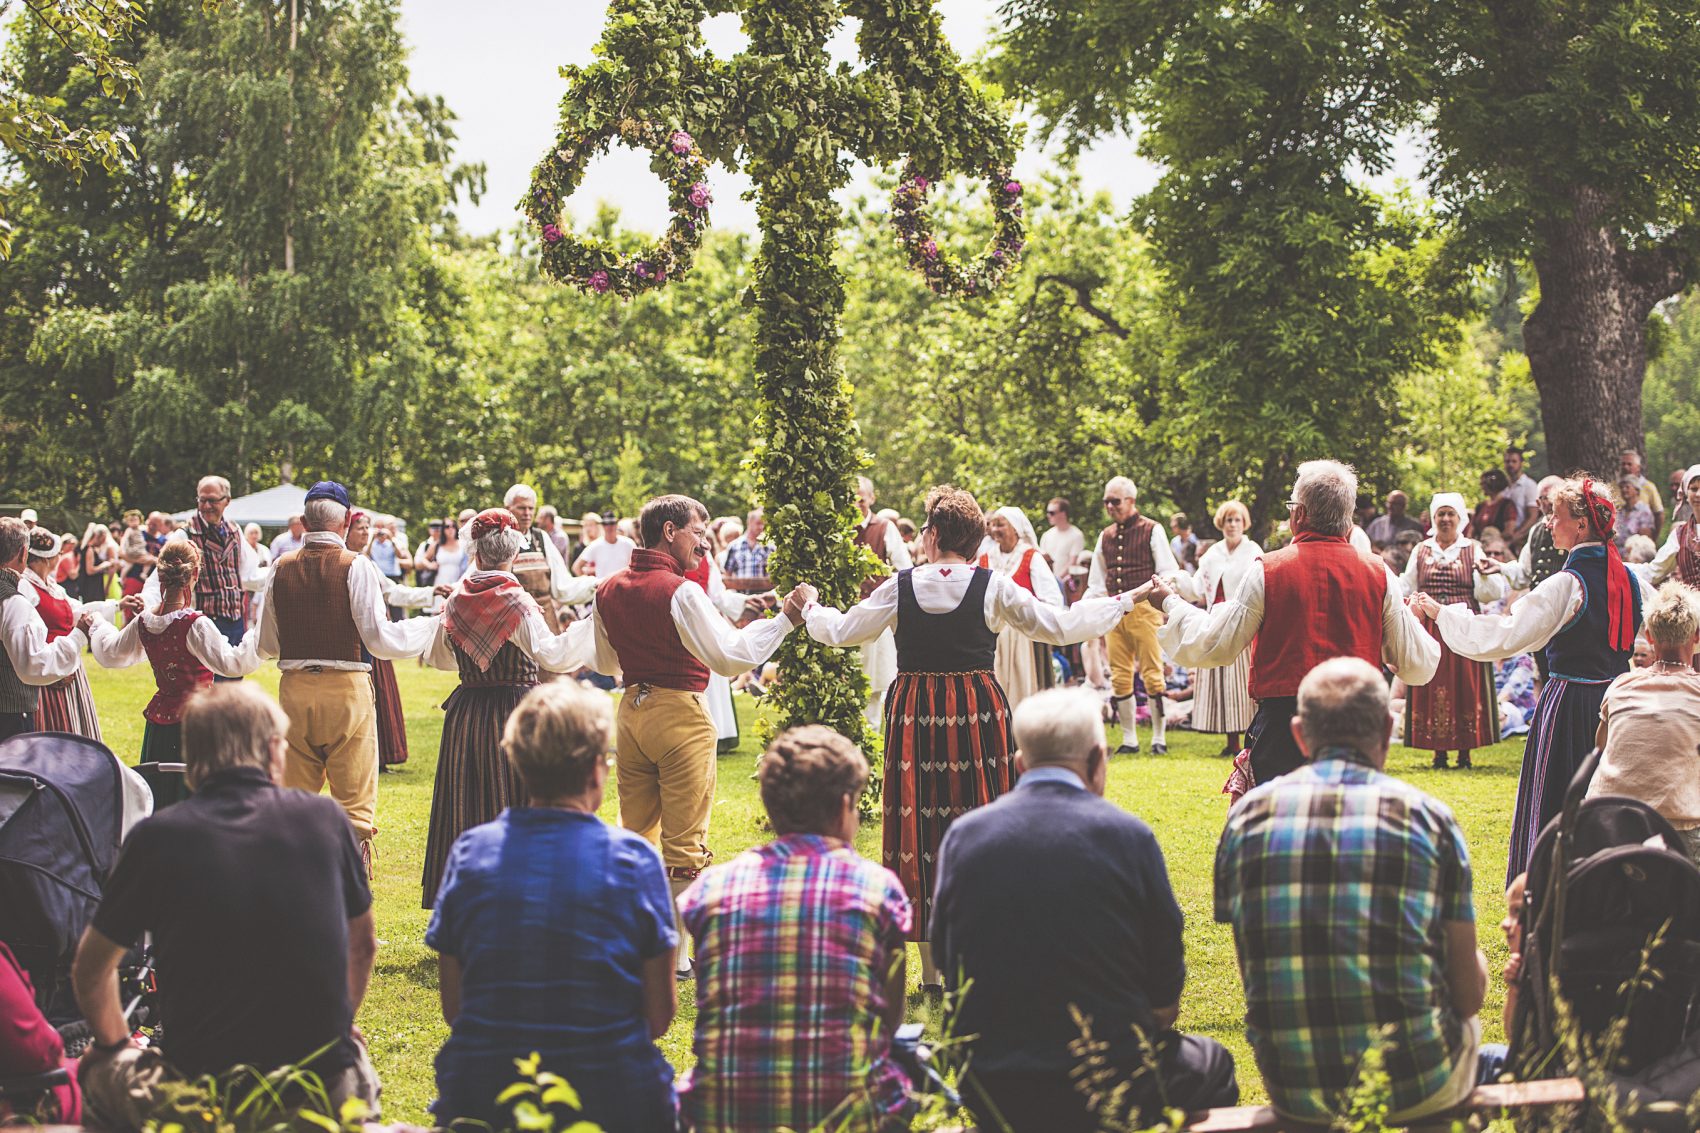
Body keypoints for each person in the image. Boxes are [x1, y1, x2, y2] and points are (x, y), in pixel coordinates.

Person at [806, 485, 1138, 984]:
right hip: (976, 709)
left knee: (915, 827)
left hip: (914, 708)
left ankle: (932, 973)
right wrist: (1126, 600)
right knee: (983, 814)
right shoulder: (994, 584)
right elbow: (1061, 626)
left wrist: (809, 607)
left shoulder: (901, 586)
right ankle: (982, 955)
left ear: (935, 534)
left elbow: (841, 631)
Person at [72, 683, 379, 1131]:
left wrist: (113, 1047)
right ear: (275, 749)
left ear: (194, 756)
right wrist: (335, 1027)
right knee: (356, 1058)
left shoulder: (158, 837)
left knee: (95, 1070)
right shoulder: (325, 819)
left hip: (198, 1092)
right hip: (317, 1089)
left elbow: (91, 969)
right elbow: (363, 945)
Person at [934, 688, 1238, 1131]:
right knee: (1214, 1064)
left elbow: (947, 959)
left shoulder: (963, 837)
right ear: (1098, 759)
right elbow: (1164, 992)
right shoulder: (1128, 837)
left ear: (1020, 765)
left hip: (994, 1085)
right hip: (1113, 1078)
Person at [1215, 658, 1487, 1125]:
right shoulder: (1427, 817)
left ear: (1300, 734)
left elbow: (1254, 971)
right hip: (1415, 1081)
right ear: (1386, 728)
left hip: (1296, 1085)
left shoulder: (1246, 818)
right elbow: (1467, 995)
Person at [426, 682, 678, 1130]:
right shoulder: (635, 861)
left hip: (486, 1095)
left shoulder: (470, 854)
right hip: (611, 1097)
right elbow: (658, 1015)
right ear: (597, 770)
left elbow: (456, 1007)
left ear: (519, 762)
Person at [588, 495, 812, 948]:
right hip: (679, 714)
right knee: (686, 841)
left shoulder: (608, 588)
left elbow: (606, 660)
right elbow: (731, 657)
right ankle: (677, 957)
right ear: (669, 532)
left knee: (635, 833)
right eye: (697, 530)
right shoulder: (680, 589)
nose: (706, 542)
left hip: (630, 713)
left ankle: (636, 940)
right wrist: (786, 618)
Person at [1419, 476, 1654, 882]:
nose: (1547, 524)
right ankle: (1608, 884)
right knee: (1610, 797)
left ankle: (1549, 886)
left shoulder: (1566, 585)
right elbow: (1679, 622)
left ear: (1581, 525)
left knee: (1560, 796)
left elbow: (1507, 634)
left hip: (1571, 705)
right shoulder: (1631, 578)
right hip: (1620, 704)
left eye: (1554, 515)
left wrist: (1444, 615)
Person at [679, 725, 913, 1133]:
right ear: (845, 806)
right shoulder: (877, 888)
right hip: (850, 1115)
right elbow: (889, 1016)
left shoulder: (712, 889)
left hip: (728, 1115)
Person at [1157, 461, 1440, 790]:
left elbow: (1215, 643)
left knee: (1280, 829)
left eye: (1292, 506)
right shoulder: (1379, 574)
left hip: (1284, 724)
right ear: (1347, 518)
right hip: (1357, 723)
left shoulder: (1268, 569)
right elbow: (1417, 665)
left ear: (1300, 514)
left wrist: (1170, 603)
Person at [248, 481, 437, 866]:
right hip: (346, 689)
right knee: (353, 807)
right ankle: (348, 888)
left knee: (294, 798)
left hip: (294, 690)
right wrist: (429, 626)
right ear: (347, 520)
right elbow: (380, 639)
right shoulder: (357, 566)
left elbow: (266, 644)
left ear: (303, 522)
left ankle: (291, 876)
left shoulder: (279, 569)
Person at [419, 509, 597, 907]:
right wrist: (588, 626)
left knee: (466, 803)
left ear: (476, 553)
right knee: (516, 800)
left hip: (467, 713)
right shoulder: (517, 601)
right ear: (513, 554)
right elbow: (551, 655)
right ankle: (518, 895)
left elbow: (440, 657)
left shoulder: (455, 600)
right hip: (514, 711)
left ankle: (467, 899)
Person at [87, 541, 261, 761]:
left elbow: (111, 650)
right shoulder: (195, 624)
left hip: (160, 724)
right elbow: (232, 664)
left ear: (160, 575)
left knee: (162, 787)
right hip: (195, 723)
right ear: (195, 574)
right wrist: (259, 634)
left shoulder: (144, 621)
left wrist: (97, 623)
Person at [1587, 582, 1700, 864]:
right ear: (1696, 637)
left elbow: (1600, 746)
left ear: (1649, 637)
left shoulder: (1622, 686)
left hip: (1608, 825)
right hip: (1679, 829)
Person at [1401, 493, 1506, 770]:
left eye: (1451, 514)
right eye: (1441, 514)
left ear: (1461, 519)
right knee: (1430, 682)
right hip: (1430, 627)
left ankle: (1465, 750)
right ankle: (1436, 751)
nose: (1445, 519)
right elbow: (1407, 584)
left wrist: (1484, 575)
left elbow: (1490, 594)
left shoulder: (1472, 548)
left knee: (1465, 684)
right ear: (1433, 518)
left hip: (1462, 624)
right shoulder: (1421, 550)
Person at [1086, 476, 1182, 754]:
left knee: (1153, 673)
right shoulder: (1104, 535)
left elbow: (1167, 570)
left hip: (1145, 609)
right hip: (1115, 609)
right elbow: (1096, 579)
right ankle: (1129, 739)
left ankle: (1158, 738)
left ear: (1131, 501)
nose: (1109, 506)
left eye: (1114, 501)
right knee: (1119, 673)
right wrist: (1091, 608)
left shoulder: (1152, 529)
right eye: (1106, 501)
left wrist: (1163, 603)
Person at [345, 510, 436, 770]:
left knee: (381, 694)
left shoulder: (368, 564)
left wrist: (429, 593)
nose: (365, 532)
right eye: (360, 527)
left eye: (367, 528)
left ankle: (381, 756)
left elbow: (394, 592)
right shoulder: (346, 562)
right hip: (355, 639)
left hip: (375, 636)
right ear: (346, 531)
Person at [142, 476, 266, 655]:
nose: (207, 506)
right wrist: (145, 601)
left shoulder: (235, 531)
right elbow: (159, 580)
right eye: (202, 500)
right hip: (201, 624)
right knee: (207, 682)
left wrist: (279, 572)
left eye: (212, 500)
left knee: (233, 680)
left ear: (227, 501)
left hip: (235, 622)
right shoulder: (184, 536)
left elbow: (249, 575)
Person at [1181, 501, 1262, 757]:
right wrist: (1175, 579)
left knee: (1243, 683)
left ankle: (1252, 738)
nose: (1233, 525)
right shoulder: (1212, 554)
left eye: (1237, 520)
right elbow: (1195, 589)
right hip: (1216, 621)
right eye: (1228, 520)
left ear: (1244, 523)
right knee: (1224, 681)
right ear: (1221, 524)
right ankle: (1231, 741)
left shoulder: (1253, 551)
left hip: (1242, 621)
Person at [0, 519, 92, 740]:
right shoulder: (14, 602)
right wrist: (78, 636)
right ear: (23, 554)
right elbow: (33, 665)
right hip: (9, 713)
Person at [19, 527, 112, 742]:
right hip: (48, 670)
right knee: (53, 730)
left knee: (73, 724)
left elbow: (78, 609)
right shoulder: (26, 586)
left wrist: (117, 605)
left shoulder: (52, 585)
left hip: (68, 663)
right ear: (49, 558)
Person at [979, 506, 1063, 710]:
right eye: (993, 524)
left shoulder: (1031, 557)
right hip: (992, 635)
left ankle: (1024, 733)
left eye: (1001, 524)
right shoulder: (985, 558)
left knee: (1024, 685)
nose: (995, 529)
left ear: (1016, 529)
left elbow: (1052, 598)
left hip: (1024, 636)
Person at [855, 476, 913, 729]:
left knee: (874, 679)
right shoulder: (836, 528)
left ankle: (870, 734)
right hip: (844, 612)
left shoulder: (884, 527)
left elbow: (904, 569)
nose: (855, 504)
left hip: (875, 614)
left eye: (860, 498)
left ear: (871, 498)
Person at [503, 485, 590, 634]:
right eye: (521, 508)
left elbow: (562, 583)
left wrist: (596, 585)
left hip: (545, 620)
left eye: (531, 508)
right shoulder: (501, 539)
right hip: (515, 622)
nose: (527, 513)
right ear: (508, 508)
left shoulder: (541, 538)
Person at [1647, 465, 1700, 589]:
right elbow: (1654, 572)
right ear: (1686, 493)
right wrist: (1619, 565)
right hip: (1692, 606)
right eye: (1693, 489)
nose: (1698, 494)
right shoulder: (1679, 535)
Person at [574, 509, 637, 580]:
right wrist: (589, 585)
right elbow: (576, 567)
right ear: (603, 526)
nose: (609, 527)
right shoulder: (595, 545)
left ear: (616, 525)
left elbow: (637, 566)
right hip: (603, 588)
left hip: (624, 588)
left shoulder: (628, 544)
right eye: (606, 524)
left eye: (612, 523)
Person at [1619, 449, 1665, 536]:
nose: (1625, 467)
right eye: (1623, 464)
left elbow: (1659, 514)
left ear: (1638, 467)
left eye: (1629, 464)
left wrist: (1654, 538)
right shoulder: (1614, 486)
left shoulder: (1649, 487)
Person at [721, 506, 772, 581]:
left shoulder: (769, 547)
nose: (761, 527)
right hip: (740, 592)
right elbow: (727, 575)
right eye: (758, 523)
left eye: (763, 524)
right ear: (749, 523)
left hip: (764, 591)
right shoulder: (734, 546)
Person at [1504, 447, 1542, 542]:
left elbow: (1533, 517)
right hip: (1505, 536)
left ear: (1521, 463)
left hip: (1521, 539)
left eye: (1514, 461)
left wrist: (1515, 538)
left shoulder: (1529, 485)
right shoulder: (1504, 487)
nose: (1510, 464)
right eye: (1507, 461)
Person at [79, 522, 120, 605]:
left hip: (93, 586)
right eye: (103, 539)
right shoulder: (90, 549)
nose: (103, 542)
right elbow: (90, 570)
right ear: (98, 536)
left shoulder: (92, 549)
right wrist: (104, 565)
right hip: (91, 588)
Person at [1472, 468, 1519, 540]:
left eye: (1484, 483)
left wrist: (1491, 540)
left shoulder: (1507, 505)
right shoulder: (1480, 506)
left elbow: (1509, 532)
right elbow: (1472, 530)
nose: (1481, 486)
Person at [117, 510, 152, 598]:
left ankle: (122, 578)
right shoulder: (129, 530)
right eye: (131, 520)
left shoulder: (141, 528)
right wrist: (122, 548)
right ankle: (143, 574)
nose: (134, 522)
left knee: (129, 564)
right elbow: (124, 540)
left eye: (135, 520)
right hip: (136, 550)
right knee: (148, 559)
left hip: (138, 549)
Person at [1615, 476, 1656, 548]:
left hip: (1634, 554)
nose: (1624, 490)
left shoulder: (1644, 511)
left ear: (1637, 490)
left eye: (1627, 487)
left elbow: (1644, 540)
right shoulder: (1620, 511)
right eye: (1622, 487)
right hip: (1617, 553)